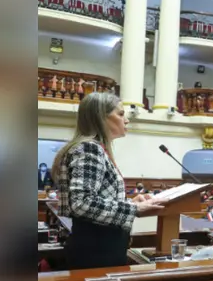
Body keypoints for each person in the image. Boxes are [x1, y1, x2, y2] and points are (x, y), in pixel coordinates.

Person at [51, 93, 164, 269]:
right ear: (101, 117)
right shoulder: (89, 149)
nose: (126, 120)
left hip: (99, 247)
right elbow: (82, 203)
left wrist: (129, 203)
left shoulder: (95, 148)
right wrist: (135, 209)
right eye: (120, 114)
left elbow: (97, 199)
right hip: (96, 251)